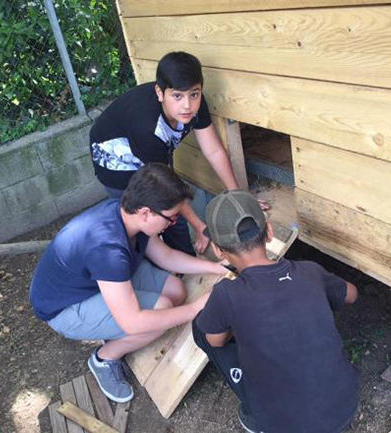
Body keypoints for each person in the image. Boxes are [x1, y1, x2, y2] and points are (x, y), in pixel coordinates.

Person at [29, 163, 226, 403]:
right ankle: (105, 358)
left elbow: (166, 257)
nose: (173, 224)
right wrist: (195, 310)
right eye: (171, 218)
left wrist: (214, 267)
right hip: (65, 307)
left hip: (92, 281)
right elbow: (133, 321)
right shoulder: (108, 249)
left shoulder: (129, 215)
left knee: (176, 290)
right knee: (160, 312)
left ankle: (112, 323)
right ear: (146, 212)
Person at [192, 190, 360, 433]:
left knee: (201, 327)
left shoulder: (227, 294)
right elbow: (351, 294)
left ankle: (255, 412)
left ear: (219, 250)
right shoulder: (309, 271)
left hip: (285, 426)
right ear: (269, 232)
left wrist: (238, 323)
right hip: (344, 405)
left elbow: (214, 341)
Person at [89, 51, 244, 256]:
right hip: (114, 160)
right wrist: (200, 227)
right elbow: (166, 188)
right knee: (157, 219)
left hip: (143, 149)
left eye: (194, 94)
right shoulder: (148, 128)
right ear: (160, 93)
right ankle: (172, 269)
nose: (187, 105)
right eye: (177, 96)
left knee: (170, 214)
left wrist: (238, 196)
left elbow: (213, 150)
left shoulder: (195, 103)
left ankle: (183, 263)